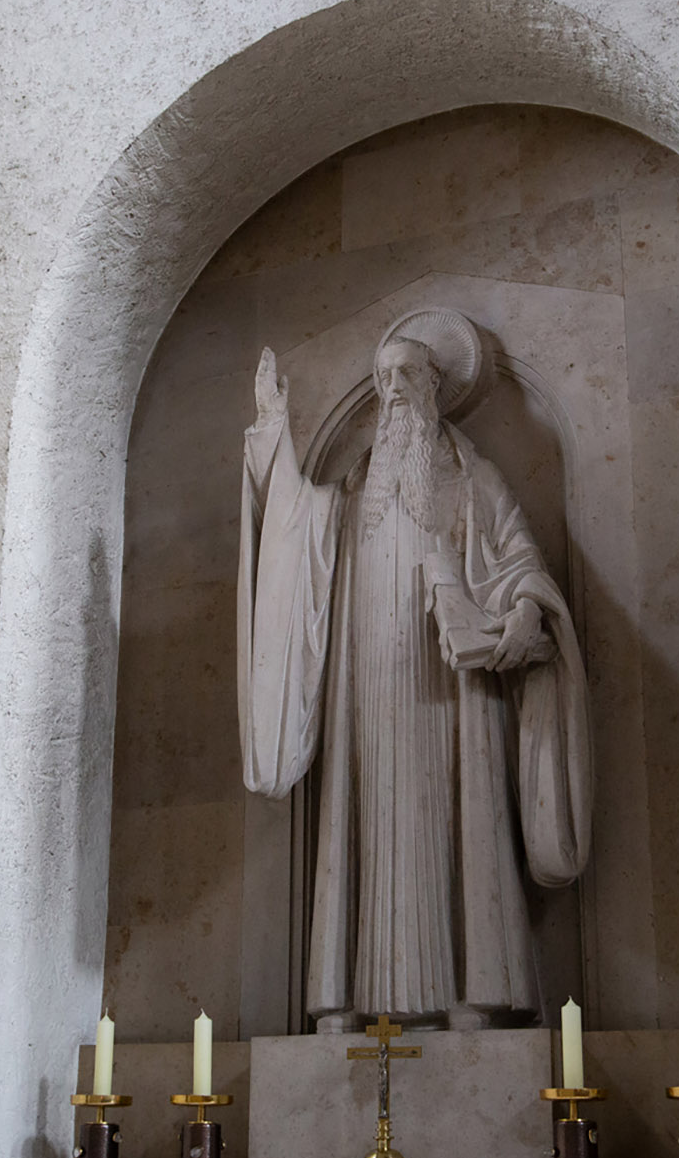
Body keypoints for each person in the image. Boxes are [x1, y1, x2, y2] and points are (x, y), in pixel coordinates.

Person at [236, 326, 592, 1031]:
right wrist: (274, 432)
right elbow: (293, 533)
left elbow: (522, 558)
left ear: (435, 391)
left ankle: (471, 996)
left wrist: (522, 611)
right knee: (365, 825)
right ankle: (356, 1000)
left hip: (454, 696)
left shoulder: (471, 479)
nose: (393, 390)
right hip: (366, 689)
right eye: (385, 378)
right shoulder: (355, 491)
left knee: (458, 822)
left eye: (408, 376)